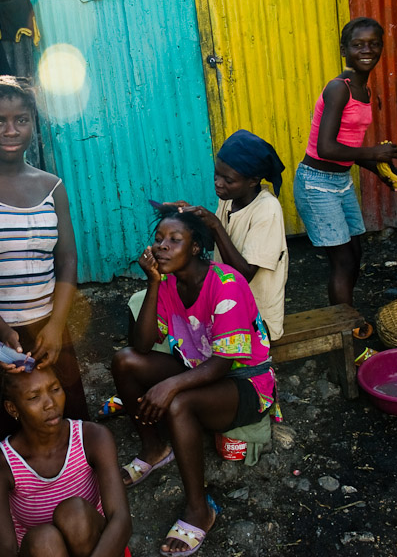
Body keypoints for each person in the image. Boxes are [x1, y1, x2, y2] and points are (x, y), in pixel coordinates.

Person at [0, 75, 90, 557]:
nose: (12, 129)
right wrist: (2, 329)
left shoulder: (51, 186)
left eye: (21, 119)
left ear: (33, 124)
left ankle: (75, 524)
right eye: (0, 120)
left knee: (65, 429)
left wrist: (53, 324)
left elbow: (66, 260)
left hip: (49, 330)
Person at [111, 208, 275, 557]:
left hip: (243, 382)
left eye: (174, 240)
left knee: (178, 402)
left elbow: (222, 363)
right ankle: (155, 450)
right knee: (125, 360)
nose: (161, 248)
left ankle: (200, 509)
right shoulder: (168, 282)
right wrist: (153, 283)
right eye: (158, 240)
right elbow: (141, 344)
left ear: (197, 247)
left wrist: (171, 385)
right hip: (199, 368)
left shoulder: (225, 282)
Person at [293, 17, 397, 338]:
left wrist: (385, 173)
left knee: (355, 254)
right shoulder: (338, 89)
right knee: (343, 261)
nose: (366, 50)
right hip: (316, 183)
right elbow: (326, 147)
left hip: (340, 183)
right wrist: (374, 154)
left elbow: (351, 149)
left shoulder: (364, 91)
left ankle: (346, 316)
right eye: (358, 45)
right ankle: (346, 333)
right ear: (345, 50)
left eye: (373, 43)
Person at [0, 366, 132, 556]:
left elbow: (121, 519)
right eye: (34, 397)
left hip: (98, 548)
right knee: (43, 540)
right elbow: (6, 551)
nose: (50, 403)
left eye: (55, 389)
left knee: (74, 513)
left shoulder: (92, 438)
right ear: (12, 408)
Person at [162, 129, 288, 341]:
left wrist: (216, 225)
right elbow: (213, 244)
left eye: (228, 180)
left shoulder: (267, 210)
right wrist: (189, 219)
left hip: (257, 320)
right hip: (226, 303)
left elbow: (245, 274)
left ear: (252, 181)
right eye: (216, 175)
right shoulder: (229, 199)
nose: (218, 183)